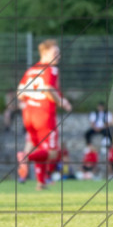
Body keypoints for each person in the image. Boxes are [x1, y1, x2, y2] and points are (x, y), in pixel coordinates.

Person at [17, 39, 72, 190]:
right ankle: (25, 158)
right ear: (45, 53)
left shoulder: (31, 71)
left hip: (29, 115)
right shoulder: (51, 69)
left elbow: (20, 93)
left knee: (39, 149)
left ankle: (40, 183)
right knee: (53, 153)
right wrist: (62, 102)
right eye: (55, 53)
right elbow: (48, 88)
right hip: (44, 116)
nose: (58, 56)